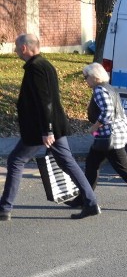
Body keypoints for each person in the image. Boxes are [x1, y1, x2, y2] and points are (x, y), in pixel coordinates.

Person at [0, 34, 100, 221]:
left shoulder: (35, 69)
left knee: (15, 160)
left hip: (41, 130)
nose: (14, 50)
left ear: (24, 48)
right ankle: (91, 201)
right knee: (66, 161)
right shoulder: (45, 65)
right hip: (53, 126)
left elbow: (44, 101)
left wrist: (47, 130)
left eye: (16, 47)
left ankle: (5, 208)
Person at [82, 62, 127, 211]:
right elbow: (121, 113)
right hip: (113, 135)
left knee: (123, 168)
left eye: (86, 77)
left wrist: (94, 127)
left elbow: (107, 112)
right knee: (92, 165)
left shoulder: (99, 91)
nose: (85, 80)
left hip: (108, 137)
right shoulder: (111, 89)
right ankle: (84, 198)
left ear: (94, 77)